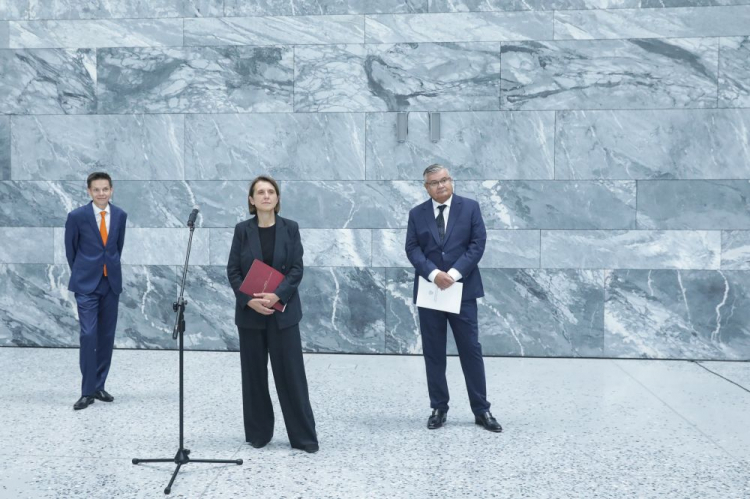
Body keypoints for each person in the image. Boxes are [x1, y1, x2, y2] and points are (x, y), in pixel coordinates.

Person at [405, 164, 502, 433]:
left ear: (452, 181)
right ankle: (439, 407)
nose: (441, 185)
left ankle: (482, 409)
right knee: (434, 352)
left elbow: (477, 244)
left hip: (463, 291)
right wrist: (434, 273)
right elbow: (412, 249)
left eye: (445, 180)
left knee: (471, 350)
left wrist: (455, 273)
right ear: (426, 187)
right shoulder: (417, 214)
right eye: (434, 182)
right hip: (431, 292)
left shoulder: (470, 208)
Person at [226, 175, 318, 453]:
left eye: (271, 191)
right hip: (251, 315)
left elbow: (296, 269)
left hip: (283, 314)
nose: (266, 196)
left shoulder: (291, 228)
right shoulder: (242, 230)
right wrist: (247, 300)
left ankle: (303, 438)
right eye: (260, 192)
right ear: (251, 201)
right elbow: (233, 271)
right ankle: (258, 434)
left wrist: (278, 295)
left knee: (291, 376)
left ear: (277, 199)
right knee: (253, 377)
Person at [65, 172, 127, 411]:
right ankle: (87, 390)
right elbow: (71, 250)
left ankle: (99, 385)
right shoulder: (77, 216)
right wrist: (83, 274)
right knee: (88, 334)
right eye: (96, 189)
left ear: (111, 190)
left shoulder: (120, 215)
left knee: (106, 336)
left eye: (105, 189)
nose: (101, 193)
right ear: (89, 191)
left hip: (110, 283)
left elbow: (116, 248)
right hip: (86, 284)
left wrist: (107, 271)